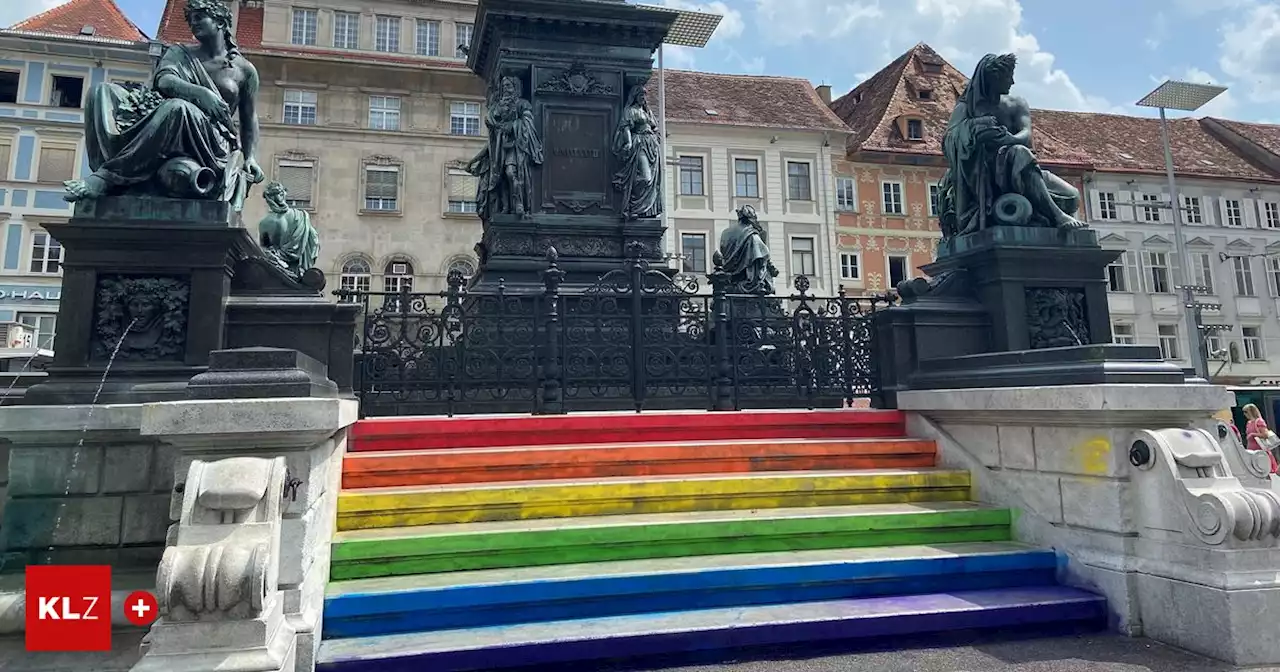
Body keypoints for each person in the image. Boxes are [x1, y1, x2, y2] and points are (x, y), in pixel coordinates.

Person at [63, 0, 264, 206]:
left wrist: (250, 158)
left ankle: (106, 178)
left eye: (199, 18)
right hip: (173, 123)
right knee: (101, 92)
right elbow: (164, 80)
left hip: (212, 140)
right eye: (190, 20)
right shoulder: (180, 53)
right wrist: (200, 93)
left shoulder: (245, 71)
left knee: (178, 108)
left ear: (220, 22)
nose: (193, 25)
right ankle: (107, 170)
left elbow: (249, 119)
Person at [937, 53, 1084, 239]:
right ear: (992, 78)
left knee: (1071, 198)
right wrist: (975, 128)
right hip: (986, 175)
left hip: (1025, 168)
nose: (1012, 82)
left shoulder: (1017, 103)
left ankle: (1048, 210)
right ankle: (1057, 215)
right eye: (1007, 77)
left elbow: (1026, 134)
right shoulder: (968, 108)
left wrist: (1008, 139)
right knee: (1019, 153)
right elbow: (949, 140)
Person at [1243, 403, 1279, 474]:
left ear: (1251, 412)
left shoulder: (1259, 421)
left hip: (1260, 448)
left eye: (1246, 412)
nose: (1244, 414)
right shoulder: (1249, 423)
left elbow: (1265, 434)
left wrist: (1253, 434)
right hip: (1251, 448)